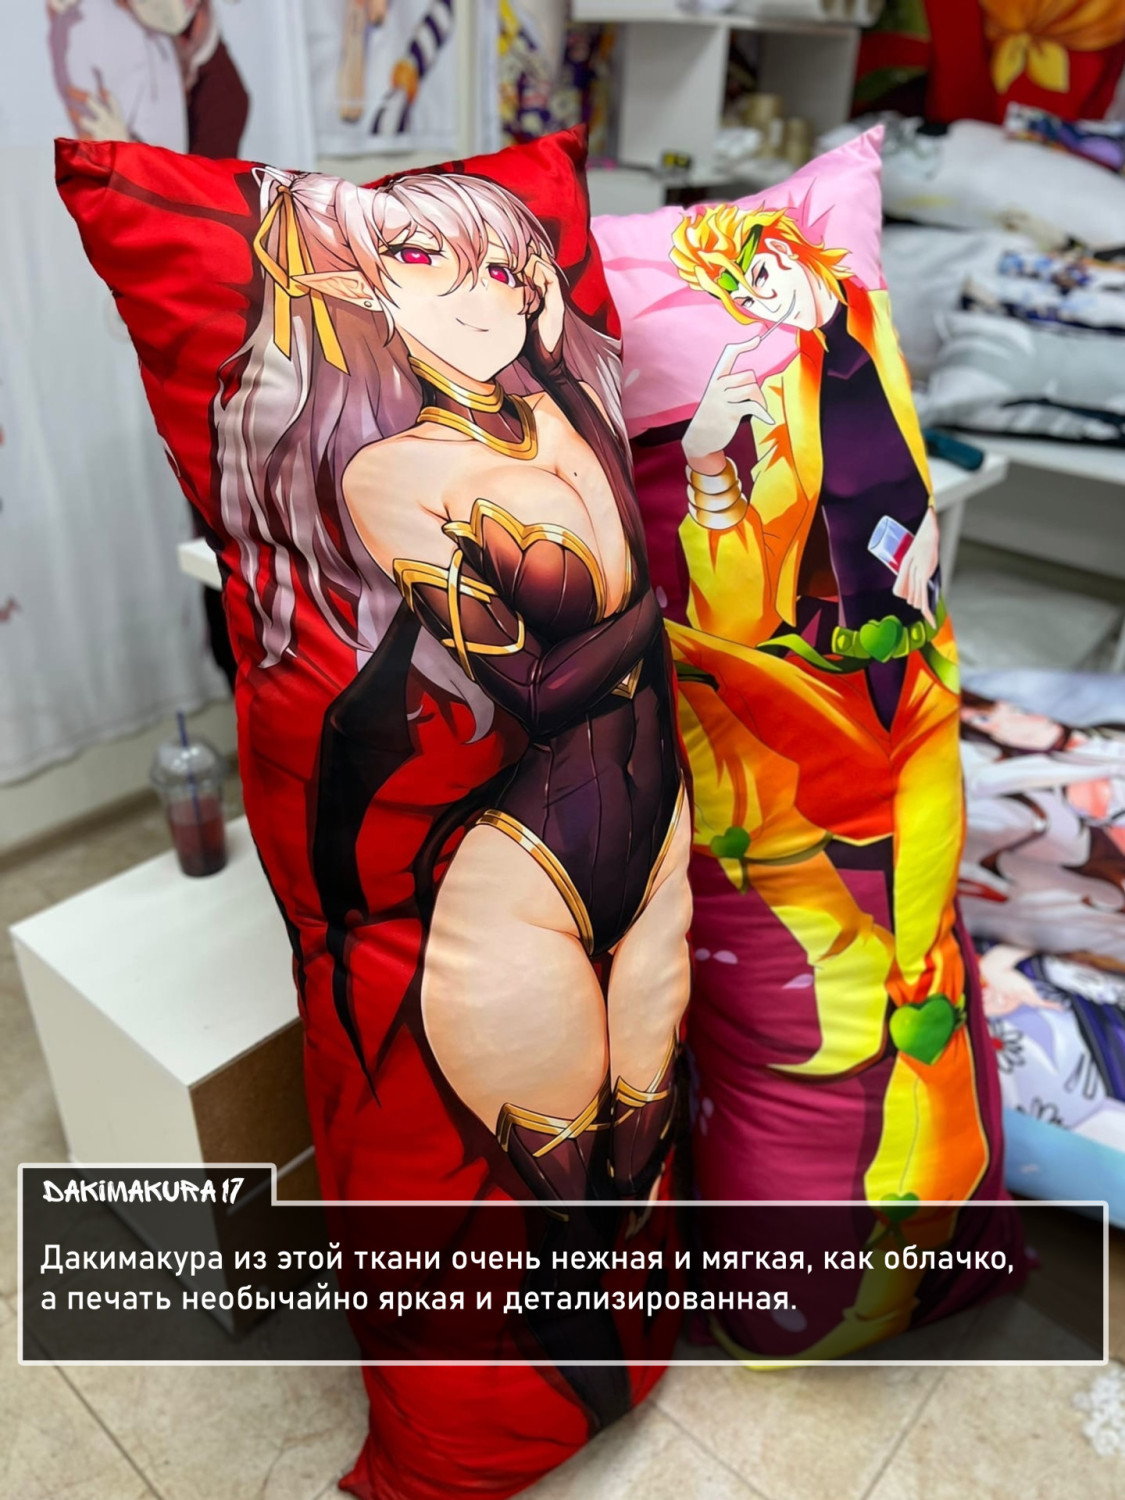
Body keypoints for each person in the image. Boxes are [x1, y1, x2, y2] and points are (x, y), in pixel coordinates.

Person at [212, 166, 692, 1428]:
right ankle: (526, 1419)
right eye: (433, 265)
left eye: (507, 265)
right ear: (365, 296)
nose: (492, 295)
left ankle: (620, 1378)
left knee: (640, 1161)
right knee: (562, 1201)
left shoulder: (567, 404)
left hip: (655, 839)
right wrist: (651, 622)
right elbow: (531, 688)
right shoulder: (394, 472)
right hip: (529, 866)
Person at [663, 203, 991, 1355]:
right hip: (836, 716)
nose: (765, 299)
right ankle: (876, 1276)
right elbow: (732, 600)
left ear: (802, 253)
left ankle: (924, 1248)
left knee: (926, 970)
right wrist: (708, 465)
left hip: (918, 705)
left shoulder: (861, 349)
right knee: (896, 991)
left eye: (766, 273)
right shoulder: (770, 398)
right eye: (744, 294)